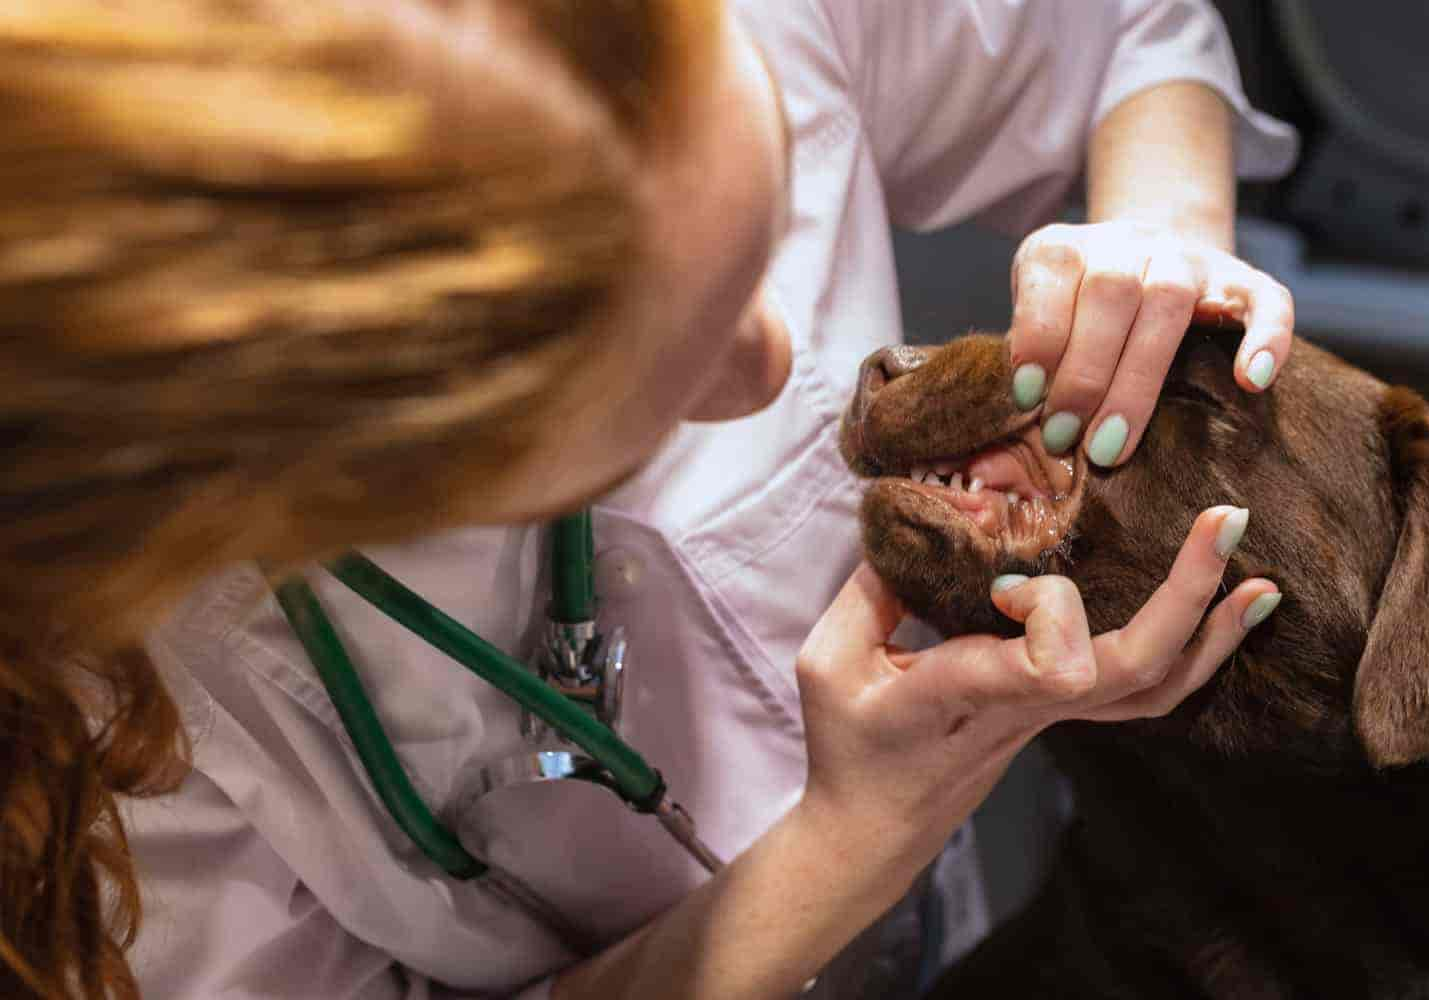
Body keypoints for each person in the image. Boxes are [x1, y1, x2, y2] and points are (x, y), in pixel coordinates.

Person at [0, 0, 1297, 997]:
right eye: (666, 379)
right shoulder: (113, 709)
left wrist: (1166, 235)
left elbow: (1132, 31)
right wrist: (849, 841)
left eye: (772, 224)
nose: (786, 361)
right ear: (364, 478)